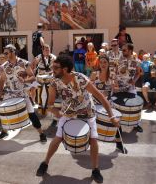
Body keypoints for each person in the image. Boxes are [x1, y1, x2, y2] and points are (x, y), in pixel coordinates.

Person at [36, 55, 119, 183]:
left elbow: (101, 98)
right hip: (68, 113)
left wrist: (112, 117)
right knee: (57, 138)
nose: (53, 70)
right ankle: (45, 163)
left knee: (93, 140)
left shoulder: (81, 78)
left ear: (65, 69)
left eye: (56, 68)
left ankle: (95, 169)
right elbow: (50, 104)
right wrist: (55, 112)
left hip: (87, 112)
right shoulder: (54, 81)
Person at [0, 44, 47, 141]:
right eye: (4, 53)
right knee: (3, 113)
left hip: (22, 93)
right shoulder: (3, 66)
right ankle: (4, 131)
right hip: (9, 93)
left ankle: (41, 133)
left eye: (7, 53)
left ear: (13, 52)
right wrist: (0, 92)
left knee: (31, 113)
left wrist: (25, 81)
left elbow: (32, 77)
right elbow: (2, 80)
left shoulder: (24, 63)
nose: (5, 54)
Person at [90, 55, 128, 154]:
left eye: (105, 62)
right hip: (95, 102)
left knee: (116, 122)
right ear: (99, 63)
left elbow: (116, 88)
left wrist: (114, 87)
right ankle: (88, 143)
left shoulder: (112, 75)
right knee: (90, 122)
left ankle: (119, 144)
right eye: (101, 62)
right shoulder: (95, 74)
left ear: (108, 63)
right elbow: (88, 88)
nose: (103, 64)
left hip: (107, 102)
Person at [112, 43, 143, 132]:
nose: (122, 51)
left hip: (130, 87)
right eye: (122, 49)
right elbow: (113, 72)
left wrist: (134, 81)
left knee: (136, 105)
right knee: (115, 106)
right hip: (119, 86)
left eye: (125, 50)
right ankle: (118, 126)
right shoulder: (118, 60)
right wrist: (115, 83)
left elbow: (138, 73)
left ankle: (137, 124)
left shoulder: (136, 61)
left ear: (130, 51)